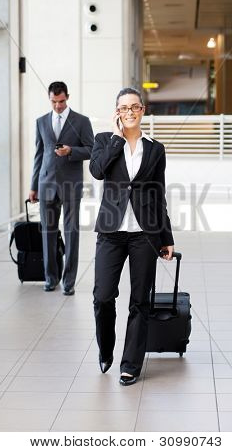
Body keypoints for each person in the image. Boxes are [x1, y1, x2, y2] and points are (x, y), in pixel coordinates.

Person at [89, 87, 174, 386]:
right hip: (111, 233)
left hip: (144, 235)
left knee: (139, 301)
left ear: (142, 110)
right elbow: (98, 171)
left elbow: (159, 193)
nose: (129, 112)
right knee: (102, 297)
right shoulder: (103, 141)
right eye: (123, 108)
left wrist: (166, 236)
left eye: (134, 107)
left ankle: (130, 365)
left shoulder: (155, 148)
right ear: (117, 112)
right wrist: (116, 138)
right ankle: (106, 349)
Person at [29, 81, 94, 295]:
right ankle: (50, 278)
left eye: (62, 101)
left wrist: (71, 151)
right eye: (54, 102)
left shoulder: (81, 121)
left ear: (68, 97)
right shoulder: (40, 122)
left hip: (71, 183)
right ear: (49, 99)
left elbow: (92, 150)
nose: (58, 106)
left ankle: (69, 282)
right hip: (46, 183)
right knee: (48, 232)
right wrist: (33, 186)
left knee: (71, 232)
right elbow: (39, 155)